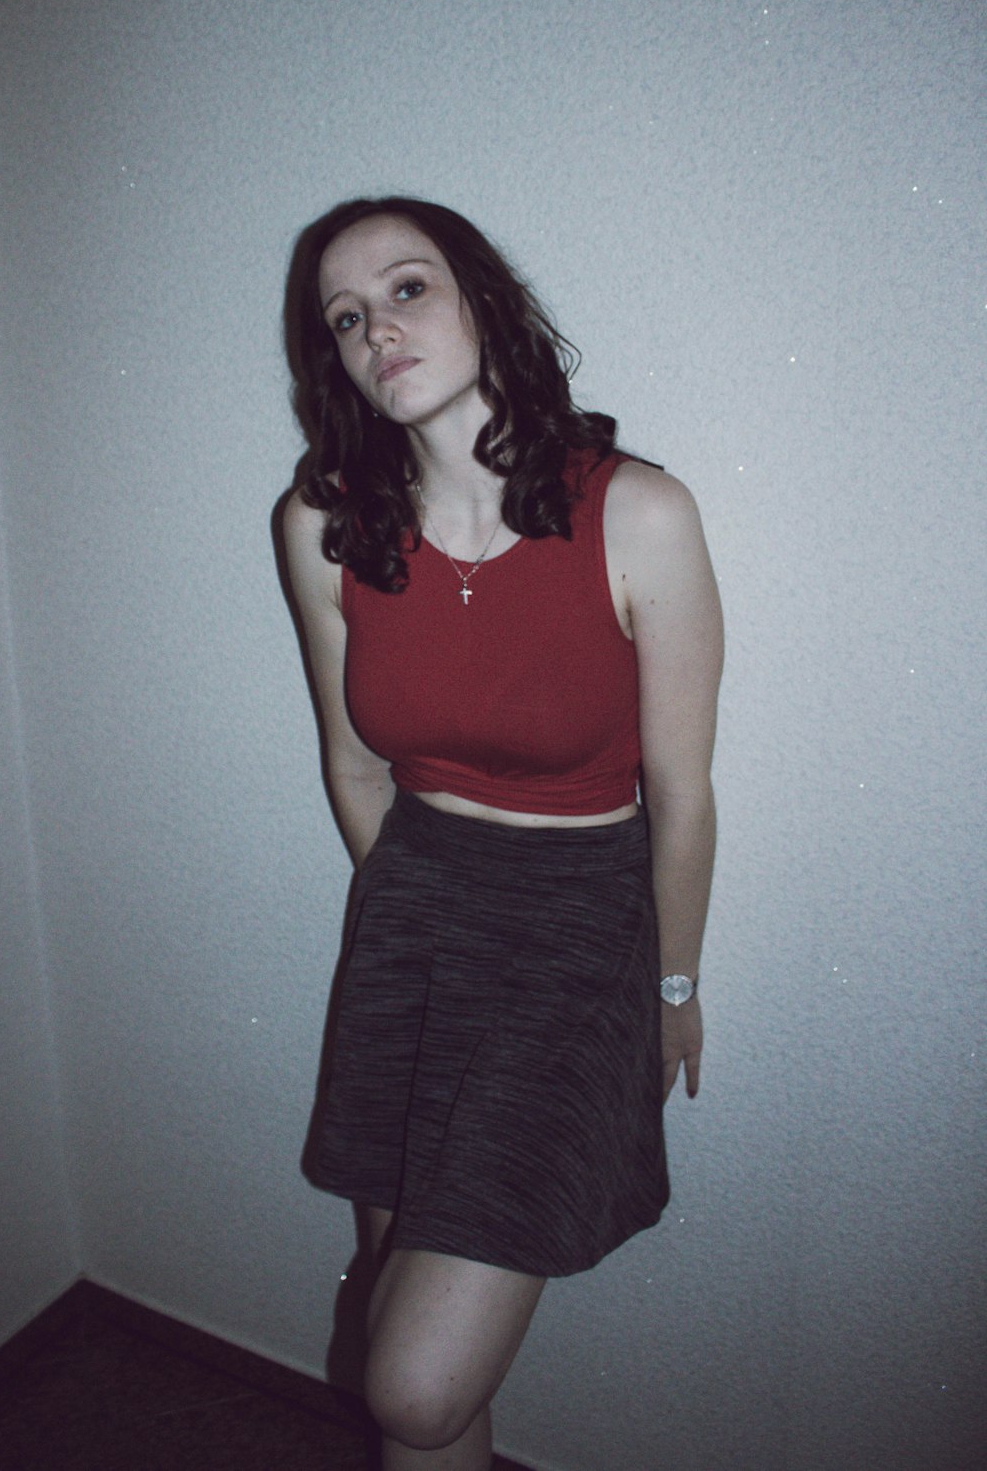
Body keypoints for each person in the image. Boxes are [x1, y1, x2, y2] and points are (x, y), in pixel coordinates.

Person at [282, 196, 723, 1471]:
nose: (377, 330)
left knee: (409, 1379)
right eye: (346, 317)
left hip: (580, 927)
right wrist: (420, 918)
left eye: (406, 290)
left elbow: (681, 793)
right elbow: (355, 765)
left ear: (485, 301)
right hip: (412, 920)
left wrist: (672, 986)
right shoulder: (321, 532)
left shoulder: (636, 513)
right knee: (409, 1360)